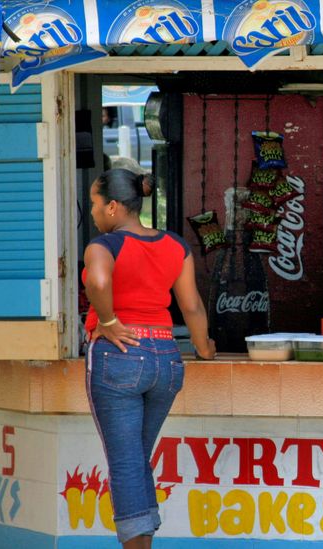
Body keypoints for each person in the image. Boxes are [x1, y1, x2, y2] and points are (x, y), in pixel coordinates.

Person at [82, 169, 215, 548]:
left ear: (112, 206)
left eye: (94, 204)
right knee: (137, 458)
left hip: (120, 357)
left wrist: (107, 321)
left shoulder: (103, 246)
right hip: (167, 360)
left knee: (126, 462)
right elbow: (190, 305)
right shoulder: (176, 245)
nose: (92, 212)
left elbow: (98, 282)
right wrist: (204, 348)